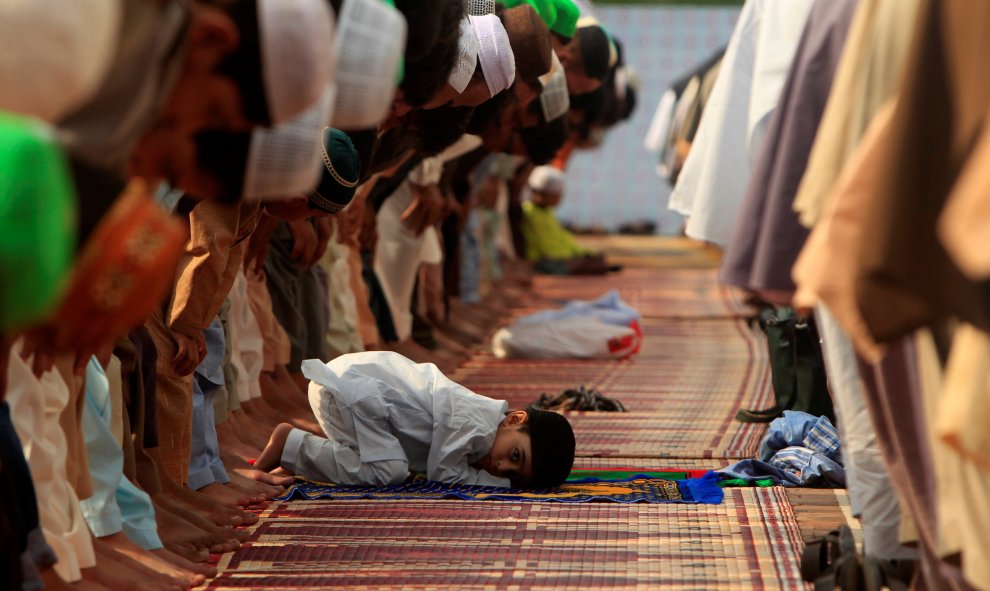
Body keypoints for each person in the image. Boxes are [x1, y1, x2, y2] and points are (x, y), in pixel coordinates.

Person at [254, 351, 575, 489]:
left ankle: (305, 451)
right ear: (515, 419)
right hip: (353, 392)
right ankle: (290, 445)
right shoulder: (475, 423)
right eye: (516, 455)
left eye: (515, 474)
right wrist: (505, 486)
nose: (504, 467)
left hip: (350, 394)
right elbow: (444, 475)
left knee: (390, 463)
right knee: (389, 471)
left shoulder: (487, 428)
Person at [521, 165, 615, 275]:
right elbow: (548, 249)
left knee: (596, 260)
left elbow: (563, 239)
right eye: (557, 195)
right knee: (590, 263)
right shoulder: (530, 213)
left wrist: (583, 253)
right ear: (544, 193)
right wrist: (574, 257)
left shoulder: (547, 213)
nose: (560, 199)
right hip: (545, 260)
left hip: (559, 257)